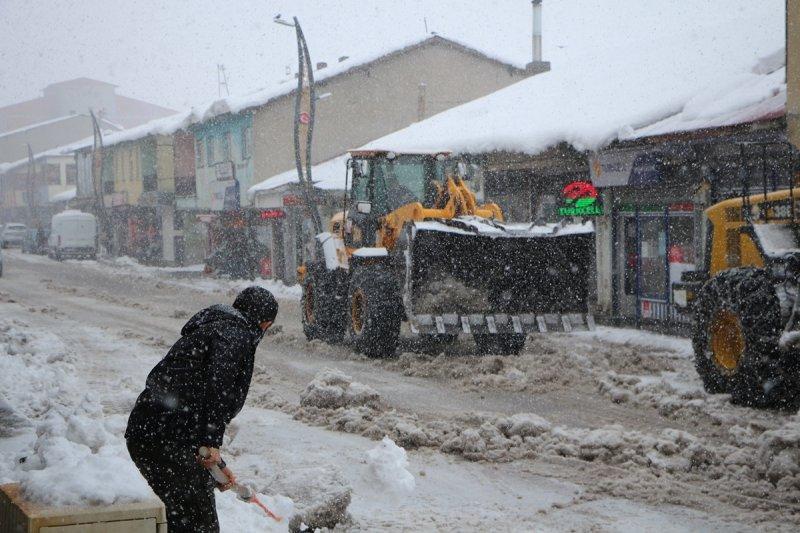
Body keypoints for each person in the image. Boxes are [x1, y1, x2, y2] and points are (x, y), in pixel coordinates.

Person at [125, 286, 278, 533]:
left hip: (152, 433)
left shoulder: (216, 328)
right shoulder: (236, 333)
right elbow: (217, 389)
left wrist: (216, 465)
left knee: (185, 518)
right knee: (199, 525)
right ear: (265, 324)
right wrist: (211, 443)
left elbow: (194, 400)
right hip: (164, 438)